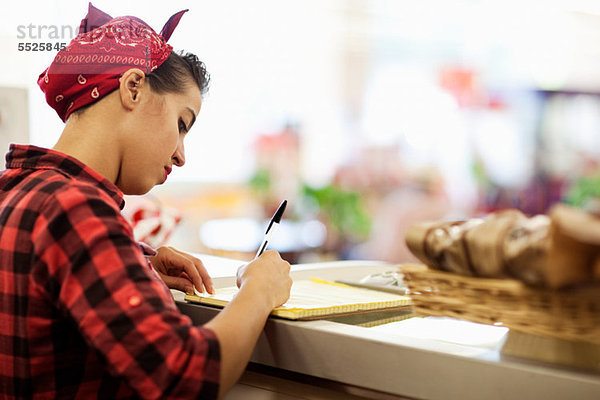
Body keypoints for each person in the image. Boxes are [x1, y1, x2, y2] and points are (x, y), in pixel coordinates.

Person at [0, 4, 292, 399]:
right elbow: (183, 375)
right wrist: (259, 289)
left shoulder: (16, 189)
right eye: (181, 124)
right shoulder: (77, 210)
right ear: (133, 87)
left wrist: (136, 262)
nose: (181, 155)